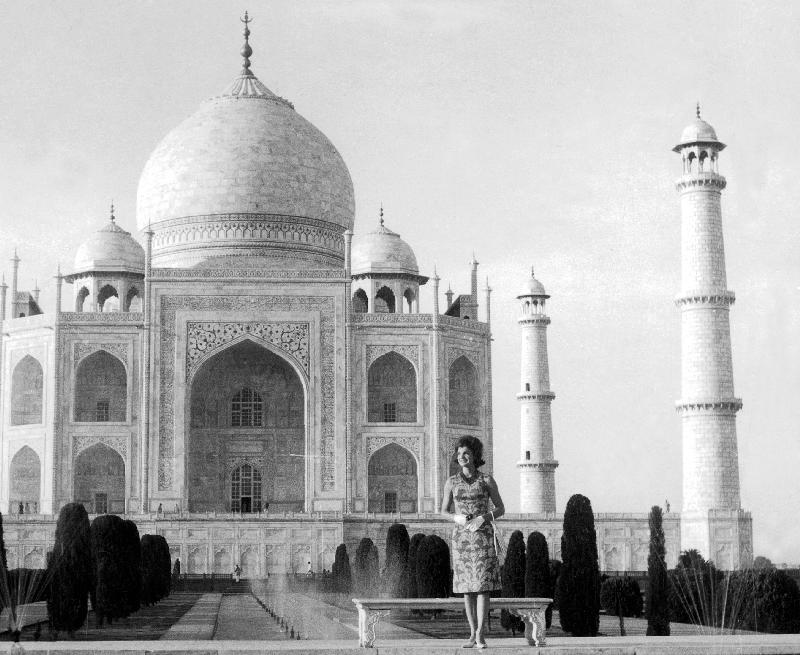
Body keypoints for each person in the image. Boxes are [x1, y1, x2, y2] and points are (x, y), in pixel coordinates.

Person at [441, 435, 505, 649]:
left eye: (466, 453)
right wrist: (456, 518)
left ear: (475, 455)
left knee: (482, 588)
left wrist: (483, 518)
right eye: (459, 454)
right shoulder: (451, 481)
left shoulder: (486, 480)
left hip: (482, 535)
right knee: (467, 589)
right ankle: (472, 632)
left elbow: (500, 508)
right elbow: (443, 510)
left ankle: (480, 634)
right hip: (461, 538)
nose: (462, 457)